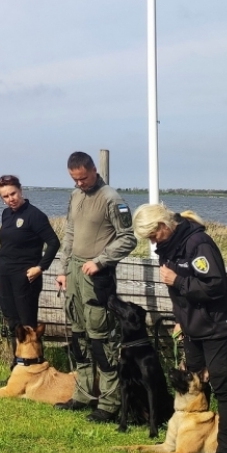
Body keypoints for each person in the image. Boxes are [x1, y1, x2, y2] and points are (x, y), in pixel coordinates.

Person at [134, 204, 227, 453]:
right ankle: (195, 442)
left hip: (219, 326)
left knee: (223, 388)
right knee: (195, 386)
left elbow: (216, 285)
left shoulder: (198, 243)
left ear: (163, 226)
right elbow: (181, 298)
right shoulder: (167, 249)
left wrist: (179, 281)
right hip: (194, 328)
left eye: (152, 236)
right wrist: (180, 321)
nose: (151, 243)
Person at [53, 151, 137, 421]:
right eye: (75, 179)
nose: (80, 183)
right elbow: (70, 233)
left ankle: (110, 404)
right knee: (78, 336)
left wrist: (101, 261)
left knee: (101, 339)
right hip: (74, 271)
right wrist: (63, 269)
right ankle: (83, 395)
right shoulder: (75, 196)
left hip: (97, 275)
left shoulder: (112, 199)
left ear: (93, 171)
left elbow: (127, 238)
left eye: (83, 178)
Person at [0, 175, 60, 335]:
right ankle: (17, 359)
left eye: (13, 193)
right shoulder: (6, 214)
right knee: (13, 324)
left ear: (20, 190)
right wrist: (1, 279)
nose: (11, 199)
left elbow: (54, 243)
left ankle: (32, 359)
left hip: (26, 278)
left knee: (27, 327)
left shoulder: (35, 216)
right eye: (5, 196)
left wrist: (40, 268)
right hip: (6, 276)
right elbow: (7, 246)